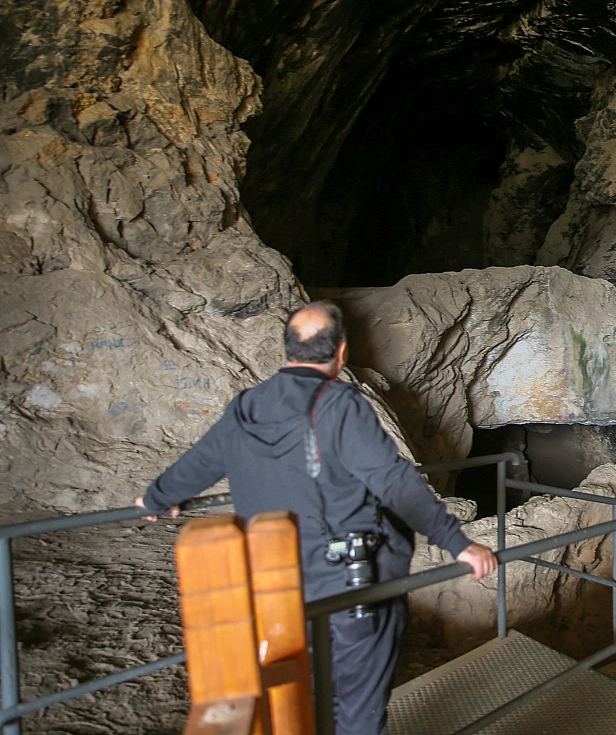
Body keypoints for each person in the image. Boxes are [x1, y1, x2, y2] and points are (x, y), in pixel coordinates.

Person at [137, 300, 497, 735]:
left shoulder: (247, 405)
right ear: (341, 353)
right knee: (357, 708)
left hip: (276, 585)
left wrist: (159, 497)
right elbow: (394, 481)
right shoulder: (339, 405)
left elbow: (198, 464)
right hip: (349, 586)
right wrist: (458, 542)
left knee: (296, 700)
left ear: (288, 350)